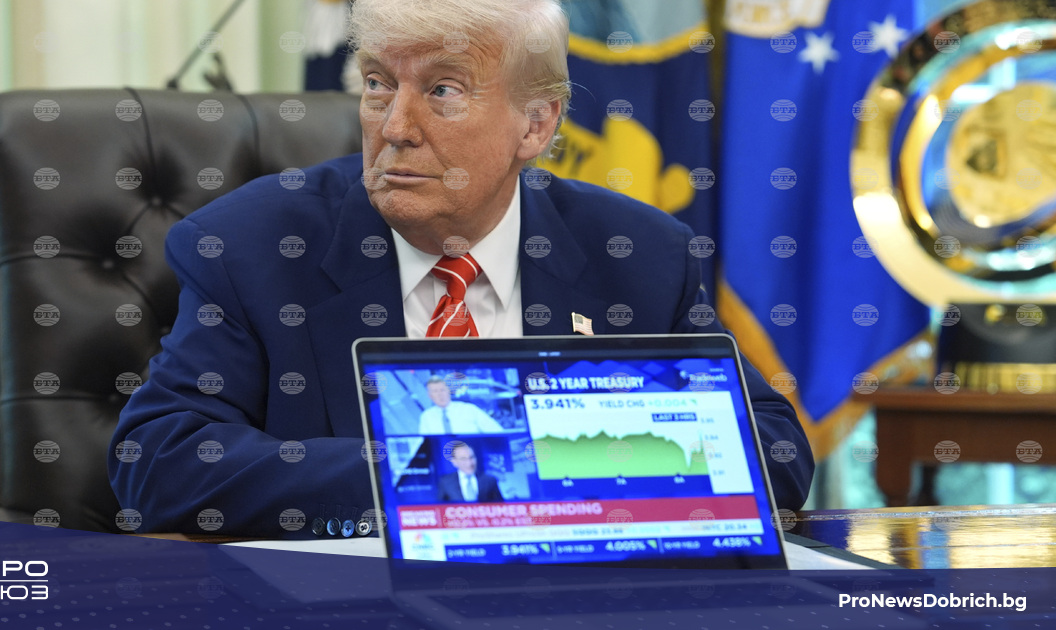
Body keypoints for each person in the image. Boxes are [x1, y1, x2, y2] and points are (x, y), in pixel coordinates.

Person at [109, 0, 814, 536]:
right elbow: (160, 457)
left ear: (536, 124)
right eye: (379, 84)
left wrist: (566, 464)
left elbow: (774, 447)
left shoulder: (636, 254)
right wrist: (434, 471)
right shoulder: (254, 246)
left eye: (443, 90)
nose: (394, 127)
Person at [418, 375, 504, 435]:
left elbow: (497, 431)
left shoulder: (469, 409)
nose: (440, 394)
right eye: (435, 391)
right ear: (430, 395)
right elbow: (422, 443)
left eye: (442, 390)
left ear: (448, 391)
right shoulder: (426, 416)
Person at [437, 443, 502, 503]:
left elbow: (501, 506)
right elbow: (439, 507)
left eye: (472, 457)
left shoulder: (489, 480)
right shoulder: (446, 482)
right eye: (463, 459)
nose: (469, 463)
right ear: (454, 462)